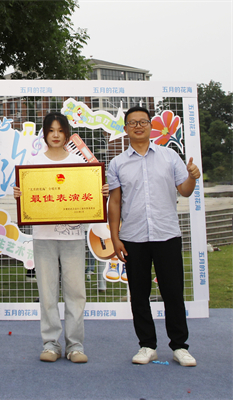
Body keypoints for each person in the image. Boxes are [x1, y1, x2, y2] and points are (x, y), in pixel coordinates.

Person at [107, 105, 200, 367]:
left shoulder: (170, 156)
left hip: (166, 234)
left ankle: (180, 346)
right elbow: (115, 202)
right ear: (125, 129)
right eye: (133, 122)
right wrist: (115, 237)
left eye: (143, 122)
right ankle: (147, 345)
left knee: (173, 292)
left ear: (150, 126)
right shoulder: (117, 163)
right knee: (139, 295)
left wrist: (193, 177)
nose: (138, 126)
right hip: (133, 237)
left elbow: (185, 190)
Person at [13, 112, 109, 364]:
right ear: (44, 134)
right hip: (43, 236)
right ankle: (50, 343)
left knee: (76, 292)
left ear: (67, 133)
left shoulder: (78, 162)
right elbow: (27, 199)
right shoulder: (32, 162)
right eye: (51, 130)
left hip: (73, 236)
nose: (55, 135)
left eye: (60, 130)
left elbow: (90, 195)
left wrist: (100, 192)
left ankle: (75, 345)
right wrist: (20, 195)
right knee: (47, 292)